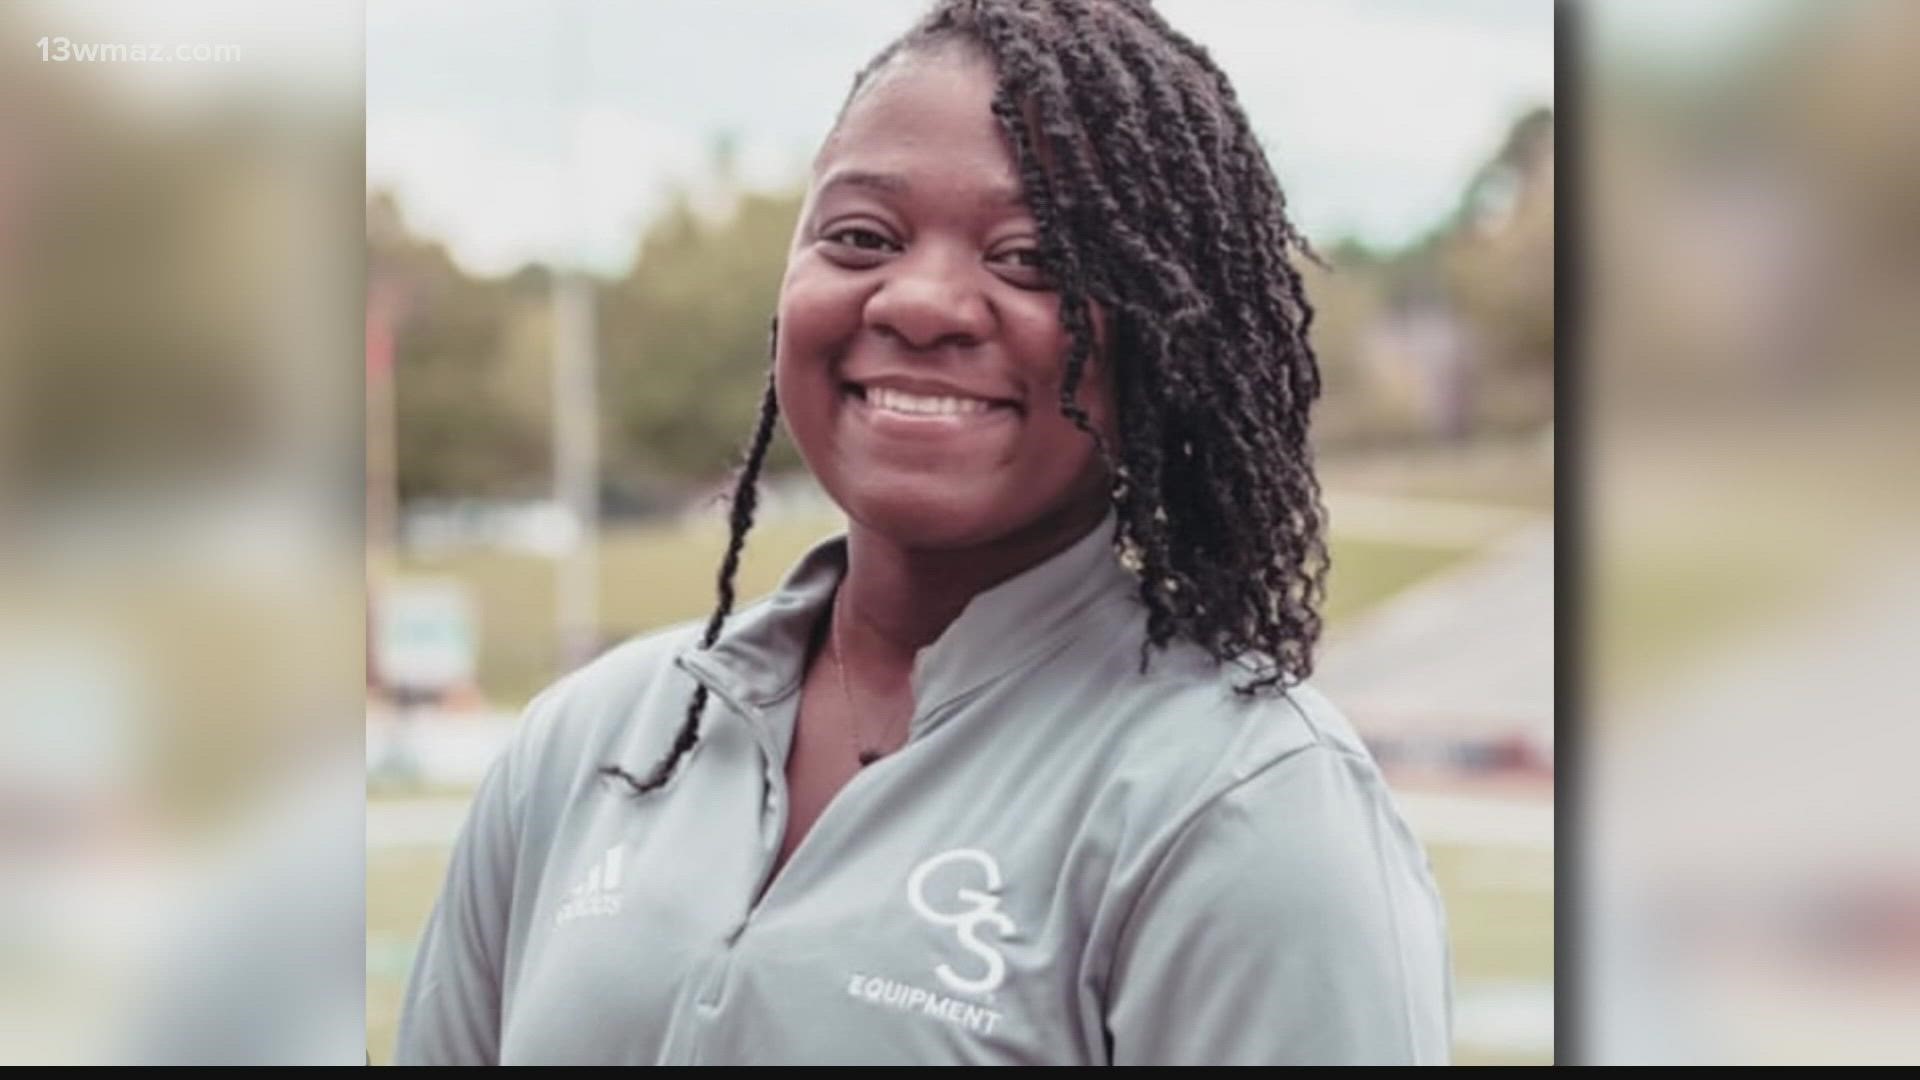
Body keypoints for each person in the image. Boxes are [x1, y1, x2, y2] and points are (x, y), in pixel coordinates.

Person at [395, 0, 1452, 1065]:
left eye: (1034, 257)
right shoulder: (584, 747)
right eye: (862, 237)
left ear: (1165, 339)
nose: (921, 301)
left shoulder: (1245, 810)